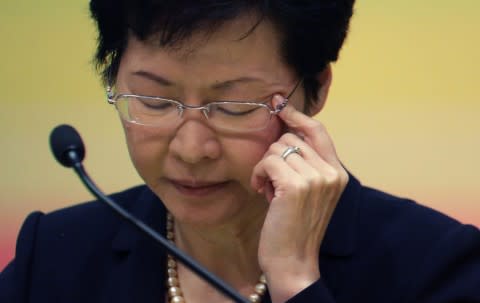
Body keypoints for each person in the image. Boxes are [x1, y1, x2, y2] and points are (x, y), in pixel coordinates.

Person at [1, 1, 479, 302]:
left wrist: (297, 282)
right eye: (153, 100)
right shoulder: (53, 258)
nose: (191, 148)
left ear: (313, 92)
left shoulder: (435, 267)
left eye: (233, 106)